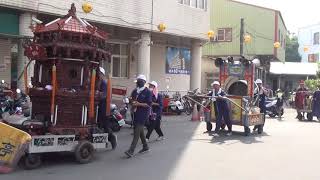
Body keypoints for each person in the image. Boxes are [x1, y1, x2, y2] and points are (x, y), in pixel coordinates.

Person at [125, 74, 152, 158]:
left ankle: (131, 151)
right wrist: (130, 102)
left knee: (136, 132)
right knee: (140, 131)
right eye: (137, 81)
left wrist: (139, 104)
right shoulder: (134, 91)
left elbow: (148, 104)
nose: (137, 83)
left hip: (143, 114)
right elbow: (132, 100)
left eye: (139, 81)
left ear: (144, 82)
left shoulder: (147, 92)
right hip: (135, 113)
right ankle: (145, 147)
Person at [97, 67, 117, 149]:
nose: (97, 75)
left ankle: (112, 138)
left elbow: (104, 95)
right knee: (99, 125)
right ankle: (104, 141)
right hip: (98, 107)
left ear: (102, 74)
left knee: (105, 125)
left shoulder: (104, 83)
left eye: (98, 73)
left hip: (104, 107)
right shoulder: (98, 83)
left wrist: (97, 94)